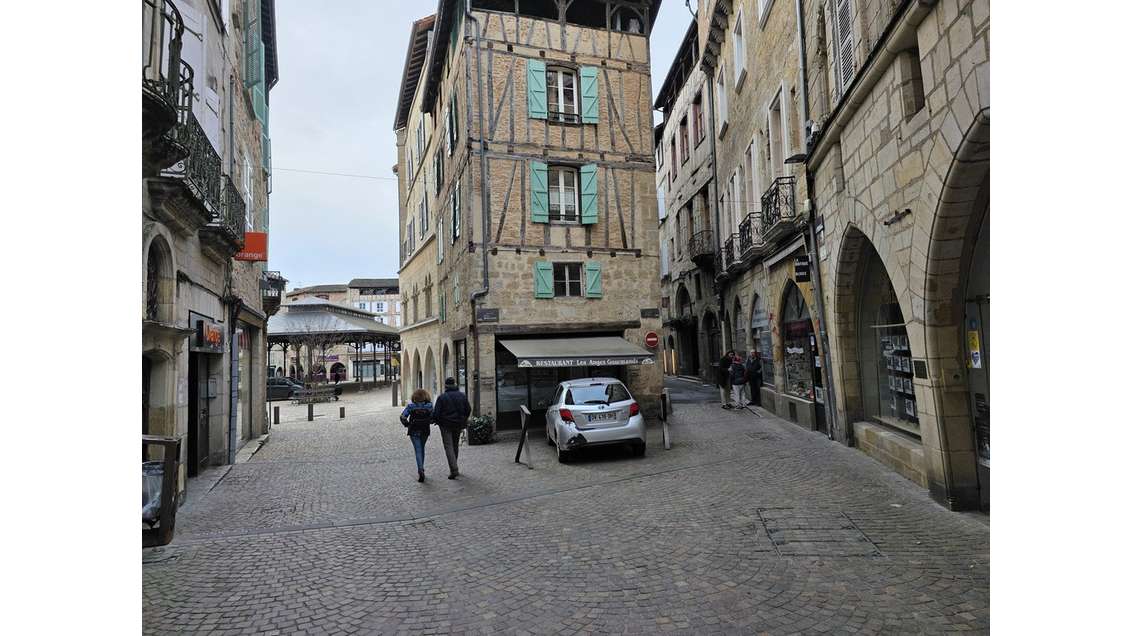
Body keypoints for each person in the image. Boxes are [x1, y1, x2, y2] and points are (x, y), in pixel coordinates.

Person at [432, 377, 472, 479]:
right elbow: (468, 409)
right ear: (455, 384)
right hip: (458, 424)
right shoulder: (462, 396)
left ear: (446, 386)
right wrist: (463, 418)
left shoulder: (442, 397)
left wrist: (438, 421)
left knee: (448, 446)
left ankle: (454, 469)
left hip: (445, 425)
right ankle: (454, 466)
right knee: (455, 445)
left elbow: (436, 413)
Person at [400, 388, 433, 482]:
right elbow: (432, 417)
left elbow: (402, 416)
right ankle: (421, 468)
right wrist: (430, 421)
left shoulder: (411, 406)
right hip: (425, 430)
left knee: (418, 450)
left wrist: (407, 424)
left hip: (414, 430)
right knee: (422, 448)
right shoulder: (429, 406)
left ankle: (420, 469)